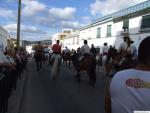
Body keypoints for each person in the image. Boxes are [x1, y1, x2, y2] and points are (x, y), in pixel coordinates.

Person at [105, 36, 150, 113]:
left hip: (124, 58)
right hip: (132, 59)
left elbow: (118, 51)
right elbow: (134, 52)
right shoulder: (133, 45)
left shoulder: (122, 44)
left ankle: (114, 73)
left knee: (117, 63)